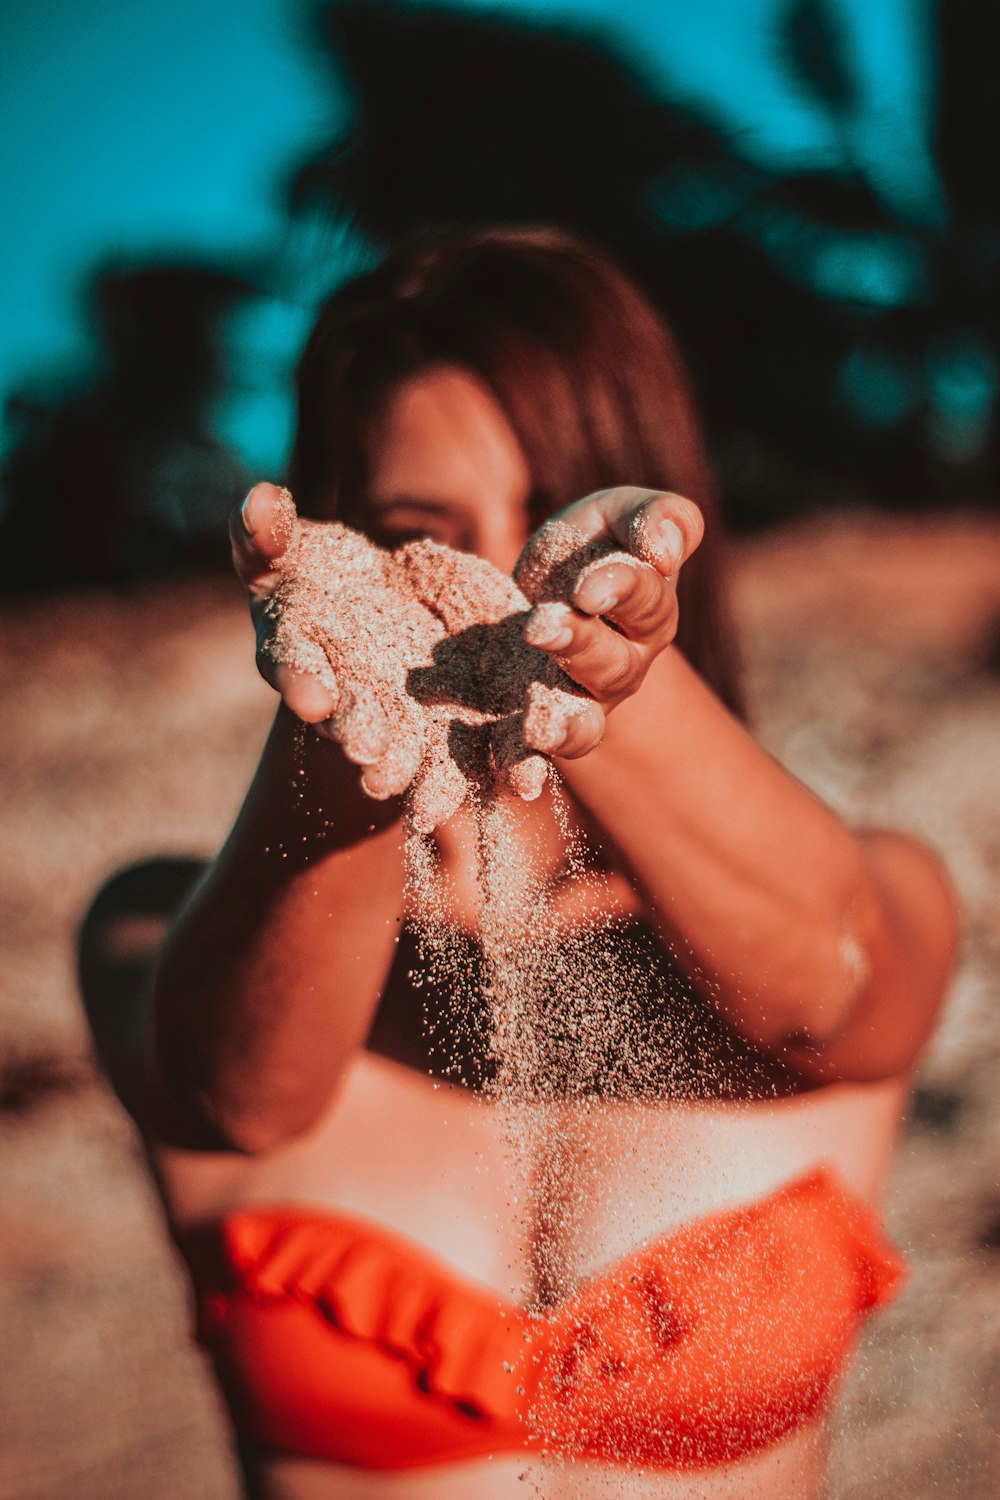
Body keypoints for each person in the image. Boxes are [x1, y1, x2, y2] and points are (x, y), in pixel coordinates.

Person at [97, 228, 957, 1499]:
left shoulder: (857, 889)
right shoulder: (168, 930)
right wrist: (343, 732)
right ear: (330, 541)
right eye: (414, 533)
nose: (495, 591)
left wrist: (607, 666)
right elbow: (245, 1092)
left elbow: (837, 981)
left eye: (551, 528)